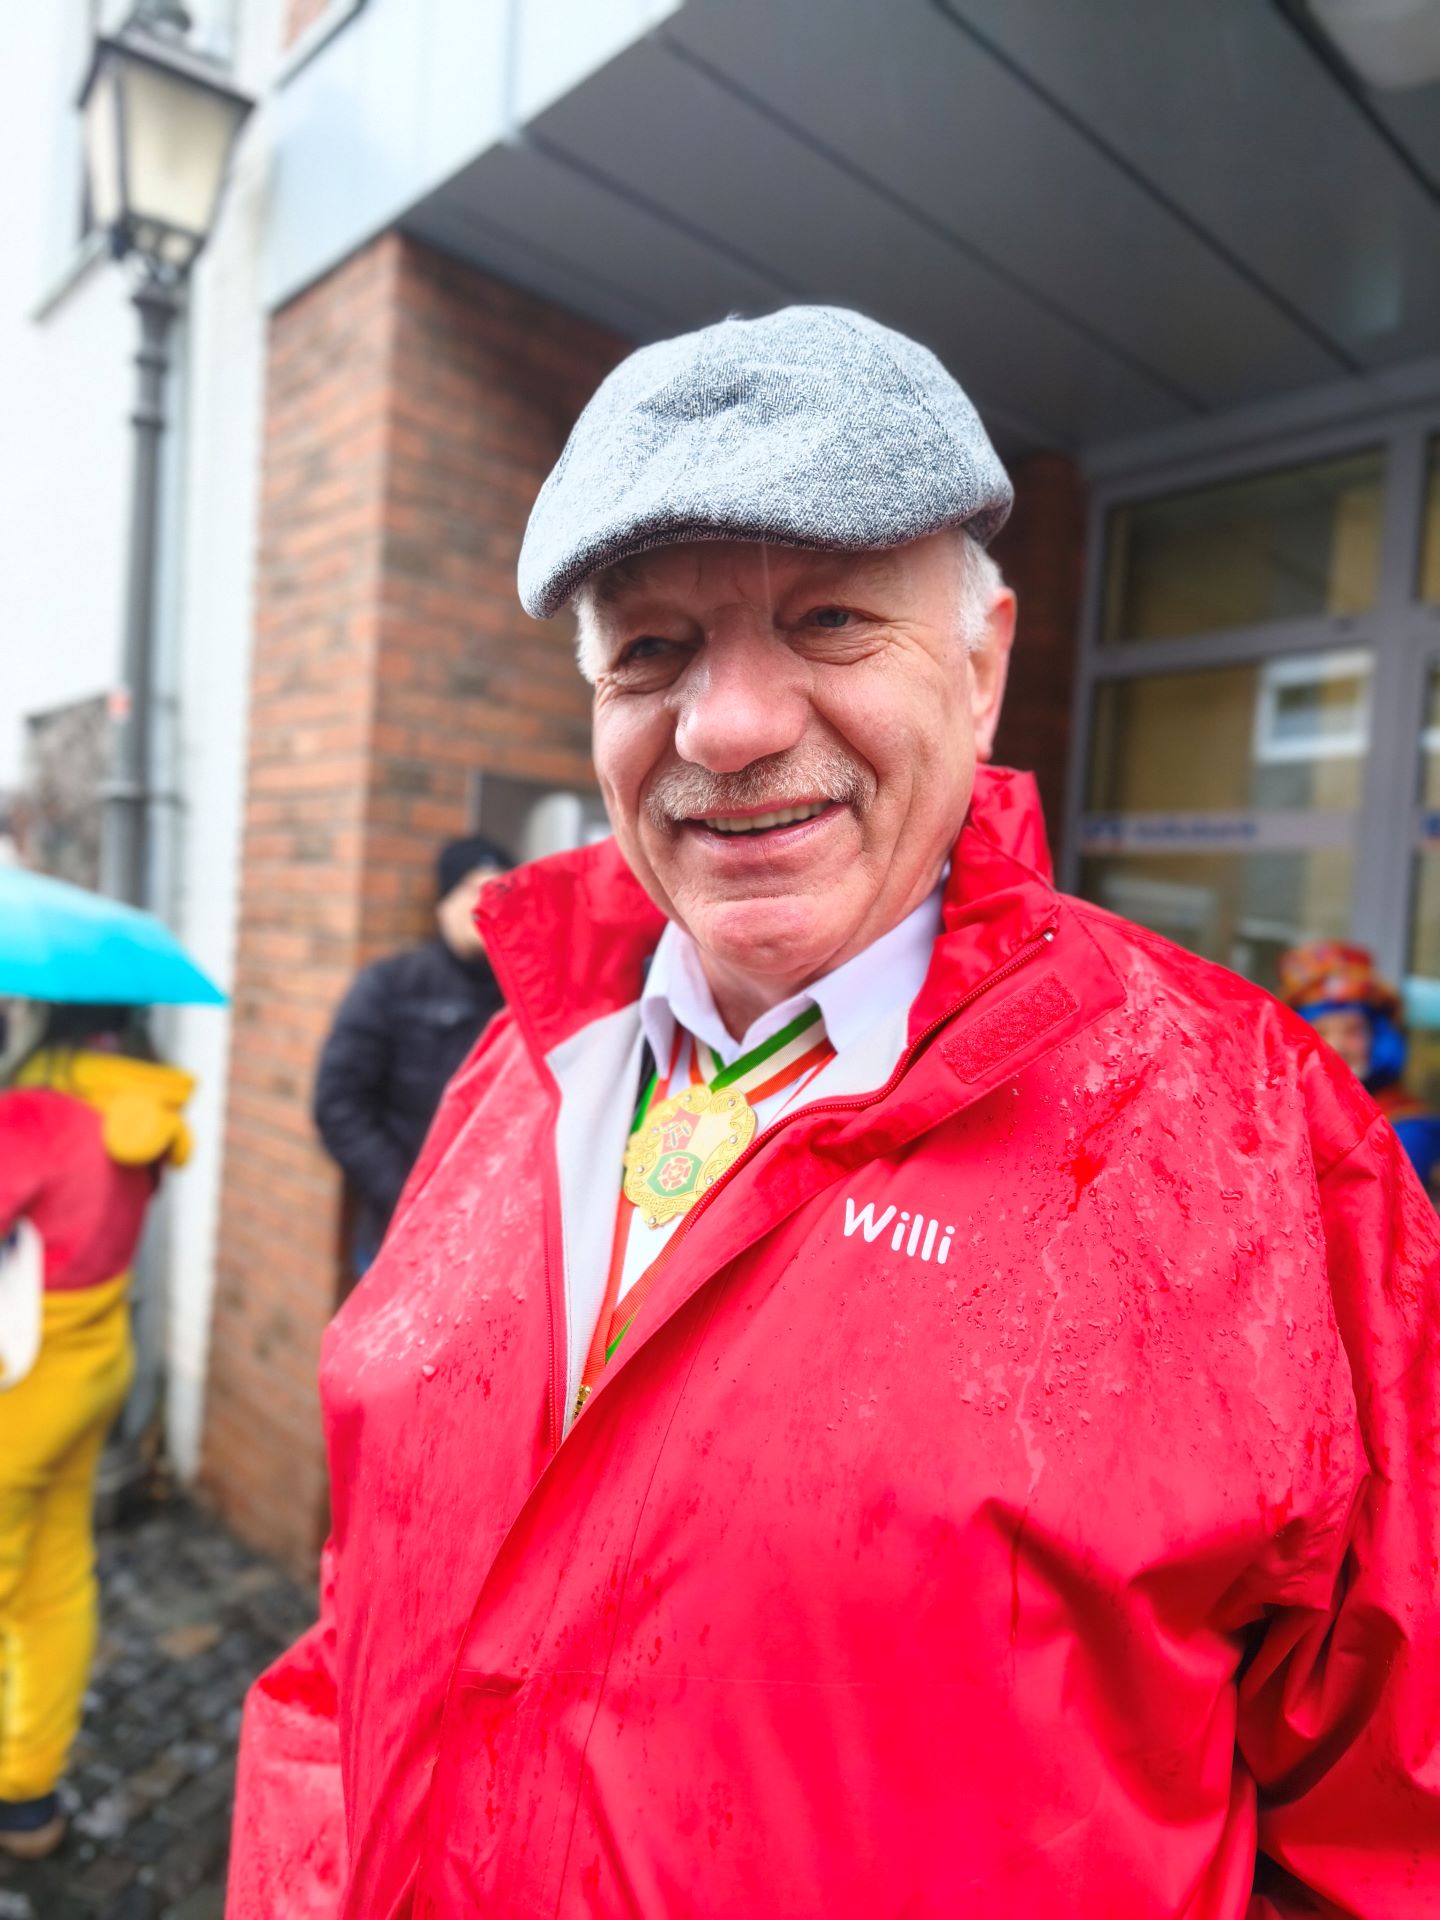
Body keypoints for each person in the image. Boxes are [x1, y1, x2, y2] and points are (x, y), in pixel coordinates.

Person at [230, 308, 1439, 1918]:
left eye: (830, 618)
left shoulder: (1260, 1148)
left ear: (984, 662)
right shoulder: (517, 1068)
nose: (728, 728)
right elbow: (358, 1622)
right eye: (650, 649)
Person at [0, 1004, 193, 1859]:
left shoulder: (34, 1111)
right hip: (94, 1365)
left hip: (21, 1382)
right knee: (54, 1579)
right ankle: (26, 1796)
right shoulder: (147, 1106)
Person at [312, 834, 512, 1272]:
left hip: (495, 1248)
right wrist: (410, 1194)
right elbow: (339, 1105)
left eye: (498, 889)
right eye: (470, 889)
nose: (483, 903)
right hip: (400, 1239)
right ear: (442, 901)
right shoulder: (390, 986)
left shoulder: (525, 993)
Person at [1279, 939, 1440, 1194]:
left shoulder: (1410, 1128)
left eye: (1353, 1031)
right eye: (1320, 1032)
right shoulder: (1278, 1117)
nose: (1337, 1046)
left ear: (1376, 1037)